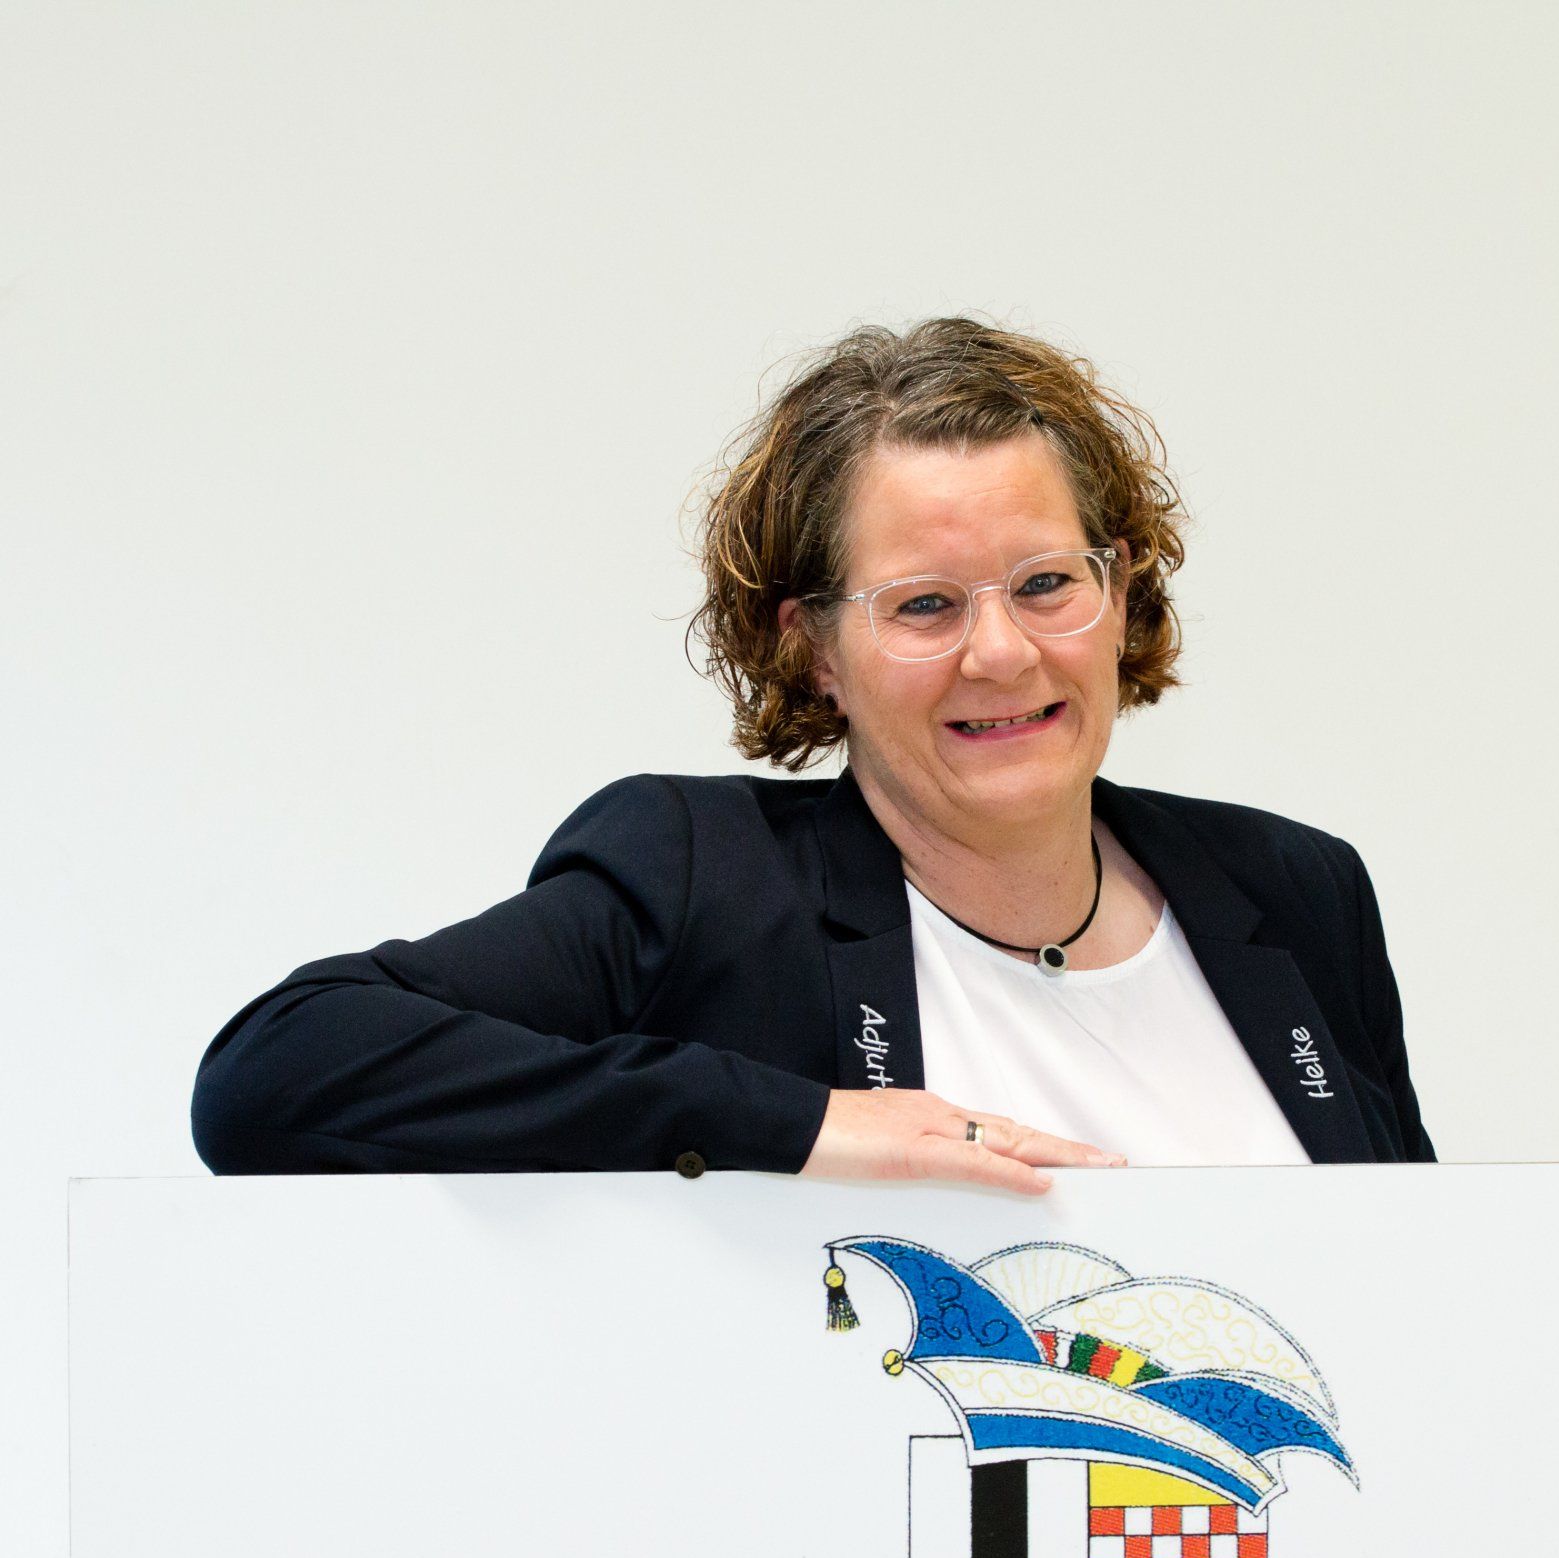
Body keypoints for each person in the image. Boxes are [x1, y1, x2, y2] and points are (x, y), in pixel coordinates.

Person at [185, 318, 1418, 1184]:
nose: (1002, 652)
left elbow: (1417, 1288)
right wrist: (796, 1129)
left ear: (1121, 590)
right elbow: (280, 1069)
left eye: (1047, 583)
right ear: (813, 647)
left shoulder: (1294, 893)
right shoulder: (704, 883)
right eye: (925, 605)